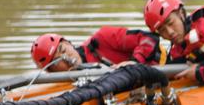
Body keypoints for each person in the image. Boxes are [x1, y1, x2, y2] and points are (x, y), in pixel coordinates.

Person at [30, 27, 162, 73]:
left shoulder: (103, 37)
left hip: (160, 70)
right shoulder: (67, 86)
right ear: (52, 72)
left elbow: (149, 38)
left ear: (68, 42)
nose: (66, 57)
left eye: (62, 49)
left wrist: (134, 62)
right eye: (57, 60)